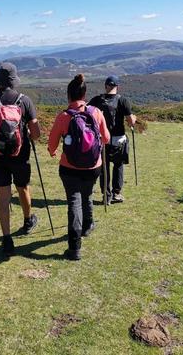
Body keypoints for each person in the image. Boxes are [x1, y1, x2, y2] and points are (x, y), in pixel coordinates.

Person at [0, 62, 40, 256]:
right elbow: (35, 133)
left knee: (4, 195)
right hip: (21, 155)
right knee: (23, 188)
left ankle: (7, 238)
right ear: (14, 80)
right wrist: (26, 132)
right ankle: (28, 220)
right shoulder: (24, 100)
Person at [48, 74, 110, 260]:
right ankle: (88, 225)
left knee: (74, 202)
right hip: (93, 166)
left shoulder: (63, 117)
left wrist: (53, 151)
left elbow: (52, 144)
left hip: (69, 167)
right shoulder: (96, 112)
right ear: (85, 94)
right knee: (88, 194)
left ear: (68, 96)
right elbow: (106, 138)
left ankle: (74, 247)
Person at [88, 75, 136, 204]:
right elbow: (131, 121)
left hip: (102, 138)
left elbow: (86, 113)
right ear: (117, 87)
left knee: (104, 167)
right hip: (118, 139)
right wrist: (134, 119)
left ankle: (106, 195)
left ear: (105, 86)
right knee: (118, 165)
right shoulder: (123, 100)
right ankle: (116, 193)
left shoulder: (97, 100)